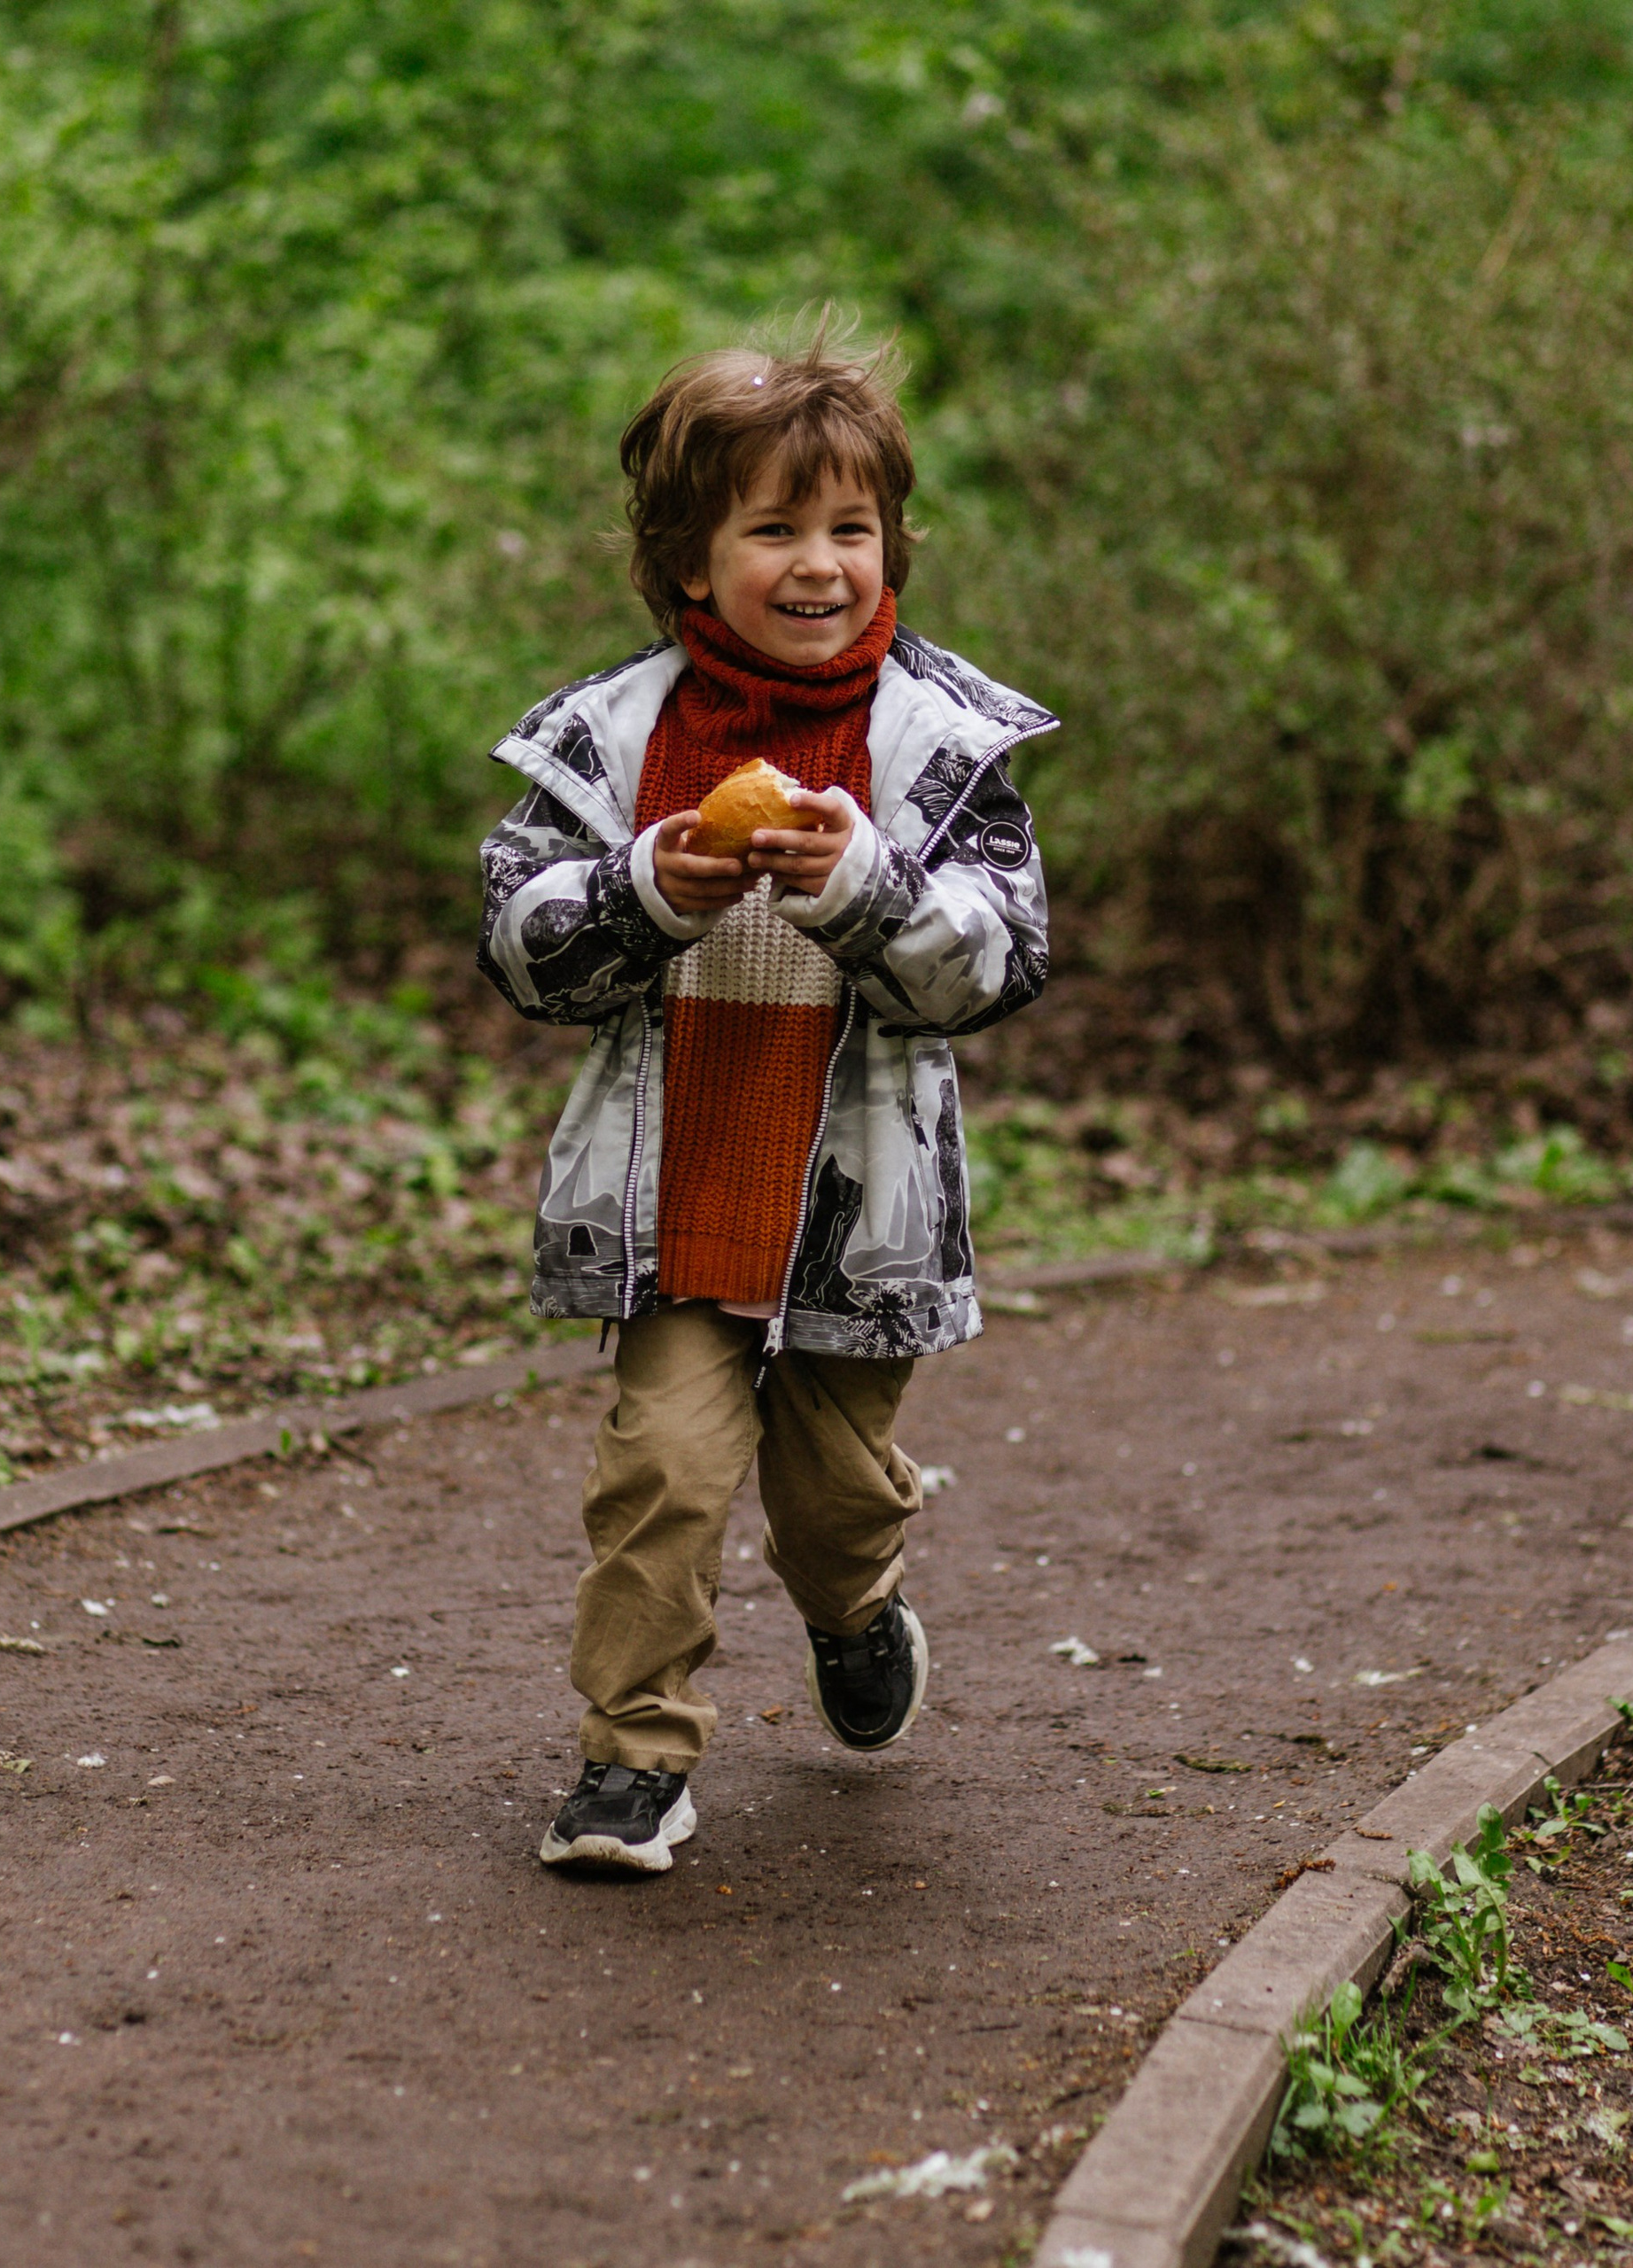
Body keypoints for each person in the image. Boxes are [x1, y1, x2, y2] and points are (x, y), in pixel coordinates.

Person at [476, 323, 1054, 1874]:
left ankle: (856, 1605)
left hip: (855, 1209)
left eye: (851, 529)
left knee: (828, 1501)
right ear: (689, 562)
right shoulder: (613, 740)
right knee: (662, 1469)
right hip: (676, 1199)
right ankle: (630, 1757)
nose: (820, 565)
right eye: (775, 529)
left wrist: (863, 883)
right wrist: (639, 888)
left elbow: (997, 964)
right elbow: (519, 945)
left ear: (894, 549)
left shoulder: (938, 747)